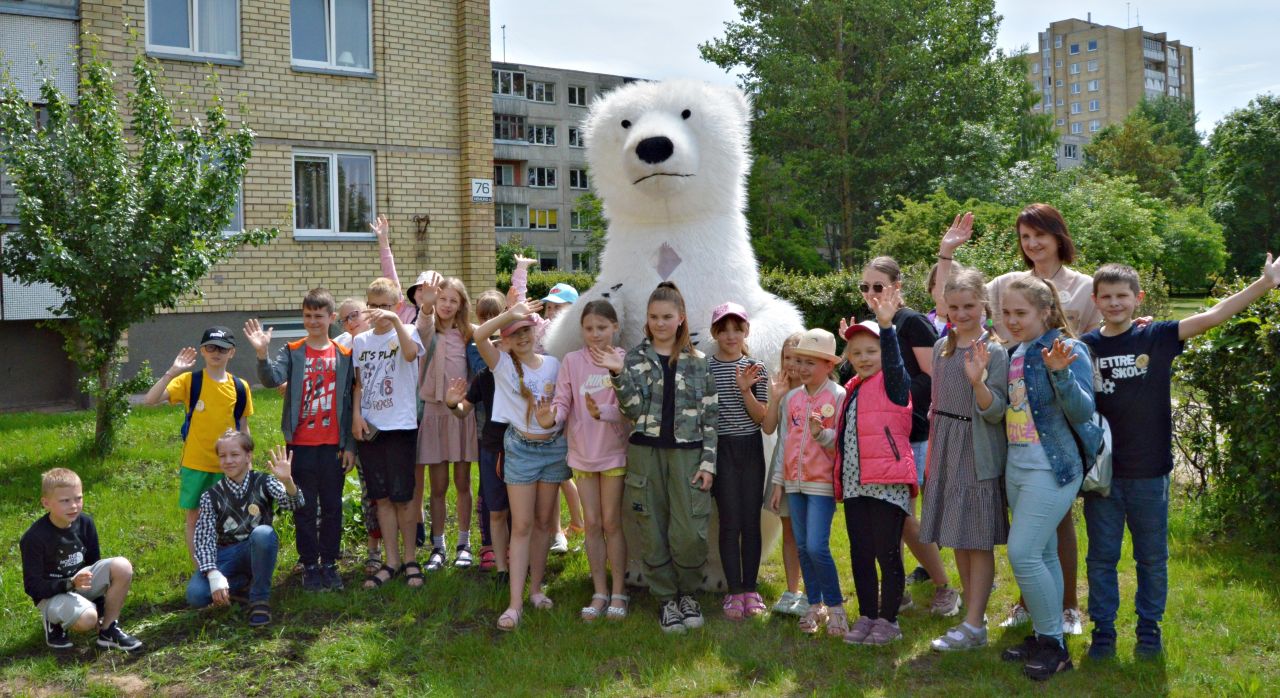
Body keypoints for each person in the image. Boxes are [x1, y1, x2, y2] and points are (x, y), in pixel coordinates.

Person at [1080, 255, 1280, 660]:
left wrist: (1264, 285)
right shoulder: (1085, 346)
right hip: (1102, 475)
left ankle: (1148, 630)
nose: (1115, 303)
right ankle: (1103, 632)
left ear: (1138, 298)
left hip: (1150, 473)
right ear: (1095, 300)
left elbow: (1214, 314)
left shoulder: (1157, 336)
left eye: (1123, 296)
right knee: (1102, 557)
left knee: (1151, 558)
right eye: (1107, 296)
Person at [935, 207, 1101, 633]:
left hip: (1056, 416)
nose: (1032, 244)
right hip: (1011, 412)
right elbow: (954, 303)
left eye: (1040, 235)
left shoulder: (1082, 286)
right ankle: (1034, 604)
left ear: (1058, 236)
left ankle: (1065, 608)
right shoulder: (1008, 283)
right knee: (1032, 527)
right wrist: (947, 255)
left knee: (1051, 525)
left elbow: (1096, 338)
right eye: (1025, 236)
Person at [595, 282, 719, 634]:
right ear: (647, 321)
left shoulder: (698, 363)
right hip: (646, 455)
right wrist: (618, 374)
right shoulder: (633, 359)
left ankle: (688, 594)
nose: (660, 323)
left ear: (681, 319)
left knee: (690, 534)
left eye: (667, 317)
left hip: (689, 458)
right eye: (653, 317)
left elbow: (711, 419)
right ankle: (666, 599)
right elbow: (632, 410)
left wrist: (708, 463)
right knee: (651, 529)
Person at [995, 274, 1101, 681]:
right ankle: (1046, 636)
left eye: (1021, 313)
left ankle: (1055, 646)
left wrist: (1059, 372)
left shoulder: (1067, 348)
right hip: (1018, 466)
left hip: (1052, 466)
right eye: (1006, 313)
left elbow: (1081, 410)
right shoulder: (1015, 351)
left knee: (1022, 554)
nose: (1013, 320)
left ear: (1046, 311)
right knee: (1041, 555)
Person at [858, 257, 956, 616]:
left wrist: (893, 396)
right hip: (879, 435)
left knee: (901, 517)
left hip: (912, 433)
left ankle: (945, 586)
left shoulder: (911, 322)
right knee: (889, 519)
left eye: (878, 286)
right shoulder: (872, 324)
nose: (870, 293)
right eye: (864, 287)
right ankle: (897, 592)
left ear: (897, 286)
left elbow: (935, 377)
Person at [919, 269, 1011, 651]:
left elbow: (996, 410)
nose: (961, 313)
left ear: (984, 304)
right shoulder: (945, 345)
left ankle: (973, 625)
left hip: (974, 449)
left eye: (969, 305)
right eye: (953, 306)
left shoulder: (994, 349)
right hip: (944, 445)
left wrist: (978, 383)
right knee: (956, 534)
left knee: (977, 540)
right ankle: (974, 615)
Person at [246, 288, 355, 593]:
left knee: (332, 506)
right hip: (301, 446)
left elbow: (348, 402)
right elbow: (270, 379)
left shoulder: (344, 355)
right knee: (303, 506)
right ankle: (309, 564)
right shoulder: (293, 351)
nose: (312, 321)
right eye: (307, 316)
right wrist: (261, 353)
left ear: (331, 318)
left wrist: (350, 445)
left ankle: (330, 565)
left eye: (318, 316)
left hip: (333, 445)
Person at [473, 299, 568, 631]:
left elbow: (564, 405)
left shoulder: (554, 364)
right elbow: (479, 337)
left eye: (527, 329)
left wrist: (552, 417)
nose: (523, 336)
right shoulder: (501, 365)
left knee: (544, 523)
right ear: (508, 341)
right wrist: (509, 314)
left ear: (536, 332)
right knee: (523, 525)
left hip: (554, 451)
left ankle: (536, 589)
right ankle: (514, 604)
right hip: (521, 452)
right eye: (515, 333)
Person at [535, 299, 631, 622]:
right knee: (591, 524)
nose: (595, 334)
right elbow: (562, 400)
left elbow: (631, 408)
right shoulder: (572, 362)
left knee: (612, 522)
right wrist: (552, 418)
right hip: (582, 455)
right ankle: (599, 590)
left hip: (613, 452)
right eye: (589, 328)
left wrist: (601, 412)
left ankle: (619, 591)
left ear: (615, 328)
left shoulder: (622, 361)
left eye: (602, 328)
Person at [833, 291, 920, 646]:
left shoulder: (894, 384)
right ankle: (868, 615)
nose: (864, 359)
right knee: (860, 552)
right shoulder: (851, 387)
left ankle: (889, 619)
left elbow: (897, 364)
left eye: (871, 352)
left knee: (887, 551)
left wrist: (885, 326)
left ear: (885, 352)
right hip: (855, 484)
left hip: (888, 482)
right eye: (856, 353)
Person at [142, 326, 253, 562]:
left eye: (222, 349)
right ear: (203, 350)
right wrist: (172, 372)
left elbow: (243, 428)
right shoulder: (189, 381)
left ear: (231, 353)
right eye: (211, 347)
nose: (216, 353)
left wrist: (248, 464)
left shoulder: (240, 387)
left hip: (231, 467)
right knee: (195, 518)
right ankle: (201, 569)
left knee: (231, 519)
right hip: (196, 465)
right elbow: (150, 400)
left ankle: (228, 564)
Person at [767, 328, 847, 638]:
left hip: (821, 485)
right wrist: (778, 482)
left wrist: (821, 435)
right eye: (800, 361)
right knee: (802, 546)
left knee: (817, 546)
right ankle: (815, 604)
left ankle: (836, 606)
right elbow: (784, 441)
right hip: (793, 484)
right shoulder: (791, 399)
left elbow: (840, 442)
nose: (803, 368)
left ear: (829, 365)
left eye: (812, 362)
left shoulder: (837, 397)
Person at [186, 431, 304, 627]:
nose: (228, 460)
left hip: (256, 547)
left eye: (235, 454)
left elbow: (295, 503)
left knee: (263, 533)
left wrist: (288, 482)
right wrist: (213, 574)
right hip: (225, 553)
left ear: (248, 456)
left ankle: (259, 599)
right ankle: (241, 583)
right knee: (196, 595)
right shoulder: (210, 496)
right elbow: (204, 539)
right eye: (222, 456)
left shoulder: (264, 481)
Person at [352, 277, 425, 589]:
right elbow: (359, 383)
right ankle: (391, 560)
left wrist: (396, 321)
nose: (378, 311)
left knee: (404, 498)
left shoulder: (408, 332)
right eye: (373, 305)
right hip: (370, 428)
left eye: (385, 306)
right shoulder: (360, 341)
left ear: (397, 306)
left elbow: (410, 355)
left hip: (400, 426)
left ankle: (410, 559)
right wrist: (356, 415)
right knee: (381, 498)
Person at [21, 468, 141, 652]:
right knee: (88, 620)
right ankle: (54, 622)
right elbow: (32, 587)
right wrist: (69, 584)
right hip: (51, 595)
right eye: (65, 501)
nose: (74, 506)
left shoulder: (86, 523)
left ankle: (109, 630)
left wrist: (101, 608)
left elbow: (94, 565)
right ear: (46, 503)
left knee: (122, 566)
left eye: (78, 498)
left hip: (78, 585)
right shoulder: (34, 538)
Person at [511, 255, 585, 551]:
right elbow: (519, 303)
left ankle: (577, 522)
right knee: (556, 472)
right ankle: (565, 527)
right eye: (551, 306)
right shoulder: (539, 327)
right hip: (541, 407)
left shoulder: (577, 336)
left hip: (568, 408)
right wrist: (520, 270)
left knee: (566, 470)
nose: (553, 311)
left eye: (560, 307)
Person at [412, 271, 481, 571]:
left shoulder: (468, 332)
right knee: (437, 486)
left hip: (459, 414)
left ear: (462, 304)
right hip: (434, 413)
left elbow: (491, 335)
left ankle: (464, 544)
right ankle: (437, 546)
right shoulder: (425, 331)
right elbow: (423, 323)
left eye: (454, 300)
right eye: (443, 299)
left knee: (462, 482)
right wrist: (426, 307)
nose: (447, 305)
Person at [706, 302, 770, 620]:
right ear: (715, 332)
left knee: (750, 521)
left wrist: (745, 389)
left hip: (750, 448)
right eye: (724, 329)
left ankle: (750, 588)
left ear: (746, 330)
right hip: (721, 450)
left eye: (737, 328)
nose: (730, 335)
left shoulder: (756, 367)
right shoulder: (704, 367)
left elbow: (761, 418)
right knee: (729, 522)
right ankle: (734, 591)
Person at [333, 298, 384, 574]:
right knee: (357, 492)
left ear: (368, 312)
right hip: (347, 430)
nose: (350, 323)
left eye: (354, 315)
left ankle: (378, 549)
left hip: (379, 426)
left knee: (375, 491)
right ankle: (329, 549)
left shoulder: (381, 337)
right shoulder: (342, 346)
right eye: (345, 319)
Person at [762, 332, 807, 616]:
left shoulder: (823, 391)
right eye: (787, 358)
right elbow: (768, 427)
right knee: (790, 533)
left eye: (800, 358)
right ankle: (792, 590)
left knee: (810, 536)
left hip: (811, 471)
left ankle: (813, 592)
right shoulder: (780, 387)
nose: (792, 364)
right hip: (784, 468)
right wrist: (776, 397)